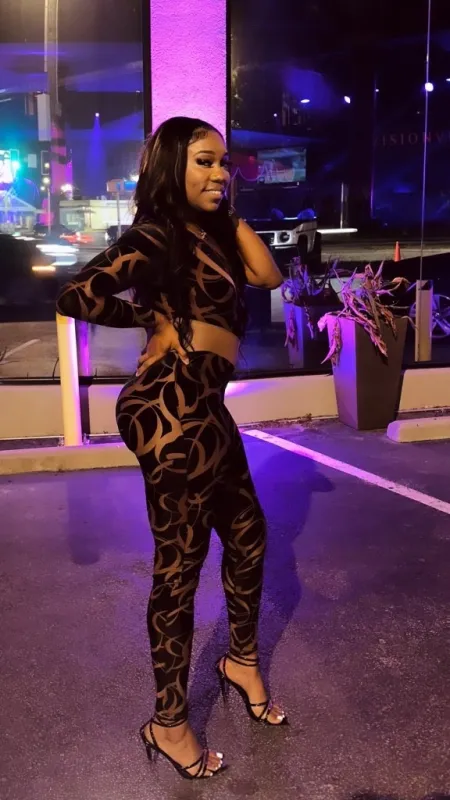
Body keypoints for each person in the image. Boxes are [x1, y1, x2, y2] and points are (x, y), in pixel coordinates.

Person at [56, 116, 286, 780]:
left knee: (247, 535)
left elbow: (268, 275)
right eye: (204, 162)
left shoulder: (208, 234)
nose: (220, 173)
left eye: (224, 163)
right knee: (180, 568)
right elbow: (76, 293)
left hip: (203, 405)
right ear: (170, 169)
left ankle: (241, 661)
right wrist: (153, 318)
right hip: (169, 408)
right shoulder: (157, 234)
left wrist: (226, 211)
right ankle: (169, 722)